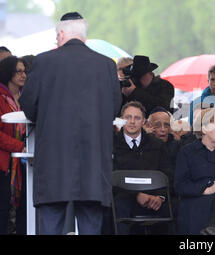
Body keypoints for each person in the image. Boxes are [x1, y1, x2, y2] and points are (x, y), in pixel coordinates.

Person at [18, 12, 122, 235]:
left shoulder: (43, 61)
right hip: (93, 166)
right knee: (91, 225)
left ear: (62, 34)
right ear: (83, 37)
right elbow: (114, 108)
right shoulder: (106, 65)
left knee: (50, 223)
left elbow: (28, 104)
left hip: (53, 165)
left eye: (57, 37)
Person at [111, 101, 173, 235]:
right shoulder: (112, 145)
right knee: (118, 207)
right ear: (121, 120)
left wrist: (160, 197)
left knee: (172, 207)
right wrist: (137, 194)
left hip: (154, 199)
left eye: (137, 118)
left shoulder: (157, 145)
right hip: (123, 199)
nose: (132, 122)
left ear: (144, 122)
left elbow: (168, 173)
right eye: (128, 117)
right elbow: (110, 178)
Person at [0, 56, 27, 234]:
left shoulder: (26, 97)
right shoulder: (1, 97)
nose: (24, 75)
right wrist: (18, 146)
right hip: (4, 162)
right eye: (19, 71)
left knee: (23, 208)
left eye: (25, 71)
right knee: (2, 208)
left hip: (23, 161)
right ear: (9, 72)